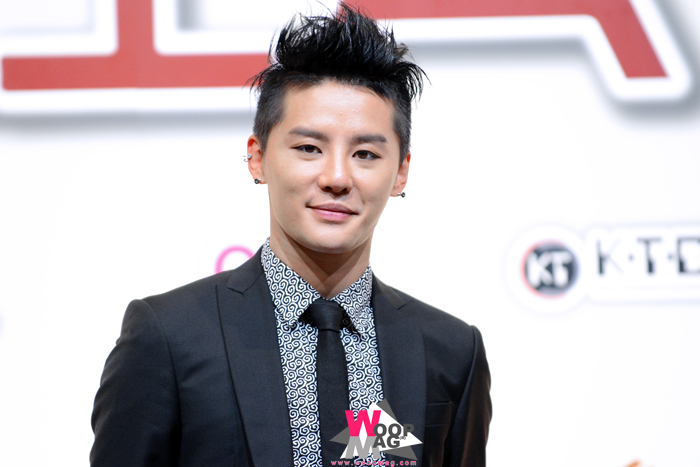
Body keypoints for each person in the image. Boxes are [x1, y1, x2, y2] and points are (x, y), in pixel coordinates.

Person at [90, 4, 491, 467]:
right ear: (257, 157)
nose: (337, 177)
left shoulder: (450, 351)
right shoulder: (168, 336)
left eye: (365, 154)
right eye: (308, 148)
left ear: (400, 172)